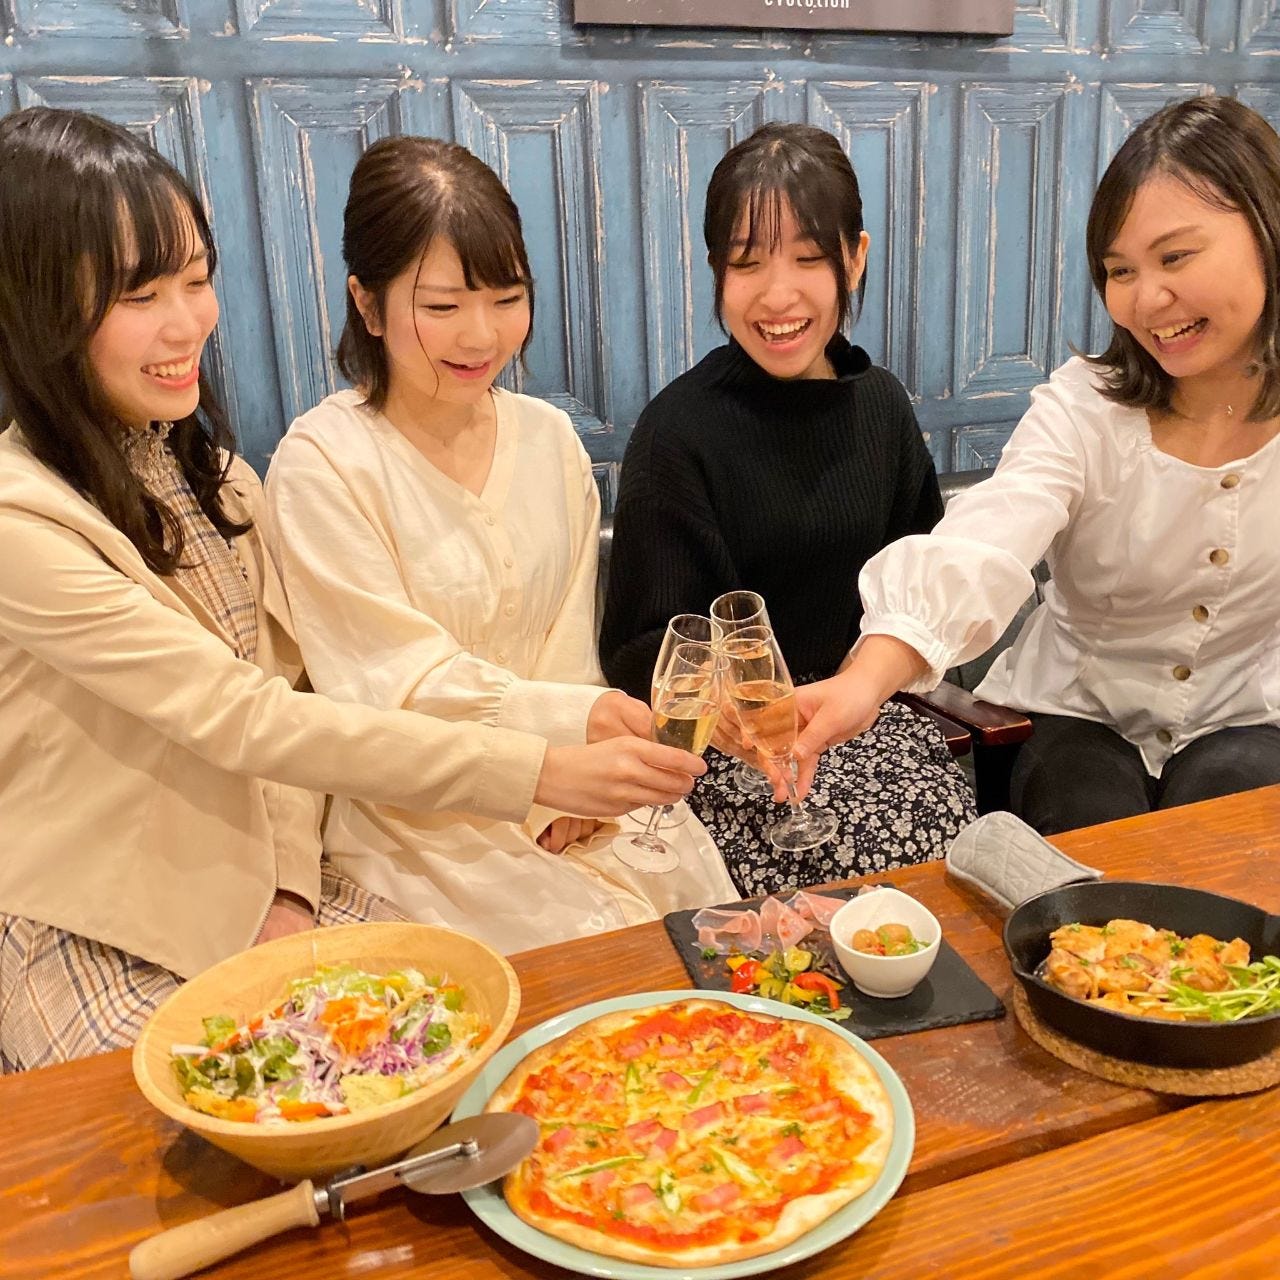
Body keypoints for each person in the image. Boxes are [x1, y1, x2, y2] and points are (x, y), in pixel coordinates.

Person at [0, 109, 704, 1070]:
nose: (187, 322)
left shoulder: (218, 483)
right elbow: (248, 717)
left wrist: (290, 884)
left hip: (272, 880)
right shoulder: (24, 523)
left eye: (197, 281)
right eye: (139, 293)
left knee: (574, 1031)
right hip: (100, 922)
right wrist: (540, 767)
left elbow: (288, 694)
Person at [266, 136, 737, 951]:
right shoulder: (324, 463)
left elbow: (567, 647)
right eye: (442, 307)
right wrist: (559, 747)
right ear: (368, 306)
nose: (481, 336)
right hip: (421, 825)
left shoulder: (550, 439)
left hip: (578, 795)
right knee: (595, 975)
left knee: (721, 951)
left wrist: (572, 782)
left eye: (507, 298)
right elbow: (391, 688)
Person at [792, 95, 1280, 835]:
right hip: (1076, 713)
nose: (1147, 298)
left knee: (1228, 824)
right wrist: (866, 679)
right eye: (1120, 270)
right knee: (1088, 829)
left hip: (1247, 716)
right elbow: (991, 532)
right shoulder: (1085, 406)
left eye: (1176, 256)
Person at [599, 123, 976, 896]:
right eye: (746, 263)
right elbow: (639, 648)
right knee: (781, 891)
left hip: (868, 722)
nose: (778, 296)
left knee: (946, 859)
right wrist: (727, 716)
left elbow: (927, 594)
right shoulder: (678, 429)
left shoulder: (881, 408)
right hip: (723, 754)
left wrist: (866, 688)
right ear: (716, 270)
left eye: (808, 258)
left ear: (854, 258)